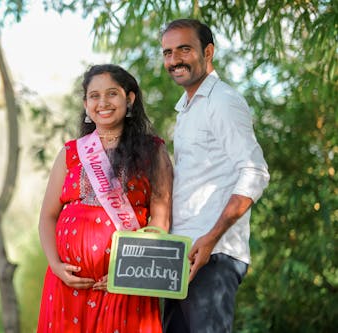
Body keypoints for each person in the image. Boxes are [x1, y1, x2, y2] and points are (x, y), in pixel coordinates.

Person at [36, 64, 173, 332]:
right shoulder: (71, 153)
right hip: (67, 287)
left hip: (126, 285)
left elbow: (161, 221)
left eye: (112, 94)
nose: (103, 103)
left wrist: (127, 271)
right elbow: (47, 217)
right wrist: (56, 266)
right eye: (94, 96)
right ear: (86, 104)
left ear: (129, 98)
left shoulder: (152, 152)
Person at [159, 19, 270, 332]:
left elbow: (255, 171)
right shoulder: (187, 108)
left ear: (207, 52)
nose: (174, 59)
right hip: (183, 254)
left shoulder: (223, 101)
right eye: (168, 52)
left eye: (184, 49)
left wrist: (211, 238)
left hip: (214, 255)